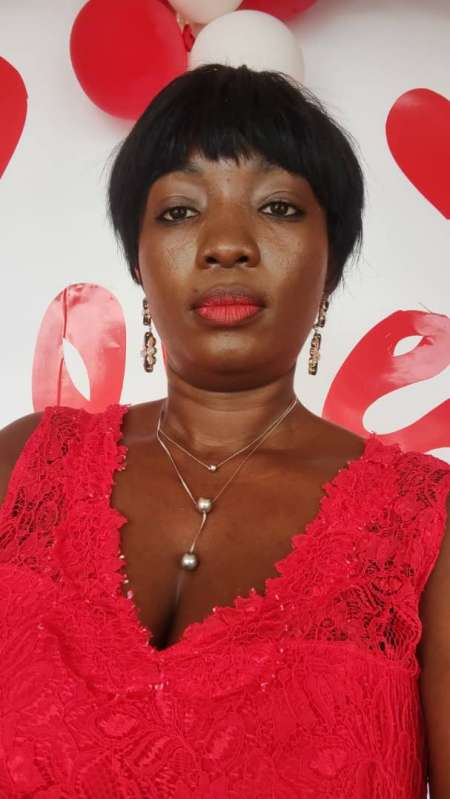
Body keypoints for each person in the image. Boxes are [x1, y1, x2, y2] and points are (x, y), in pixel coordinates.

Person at [0, 63, 448, 798]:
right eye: (180, 211)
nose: (227, 243)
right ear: (138, 261)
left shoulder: (430, 523)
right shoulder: (21, 468)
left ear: (331, 263)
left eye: (277, 207)